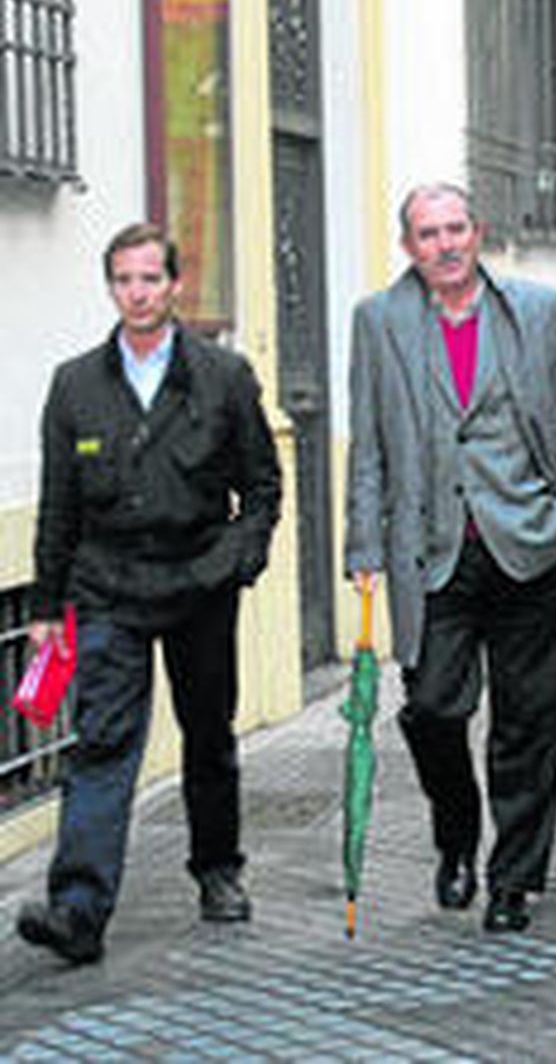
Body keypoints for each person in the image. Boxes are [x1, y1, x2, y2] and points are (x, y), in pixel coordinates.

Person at [17, 224, 282, 966]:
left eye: (149, 279)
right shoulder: (75, 385)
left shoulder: (224, 377)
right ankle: (78, 907)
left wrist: (237, 560)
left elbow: (261, 487)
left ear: (173, 285)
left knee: (208, 735)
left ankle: (218, 869)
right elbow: (59, 505)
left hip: (199, 583)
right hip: (107, 589)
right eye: (123, 281)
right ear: (111, 290)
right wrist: (44, 607)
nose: (137, 293)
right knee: (102, 743)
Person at [345, 183, 556, 932]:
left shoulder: (538, 309)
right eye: (429, 234)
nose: (446, 245)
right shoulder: (379, 321)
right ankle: (455, 832)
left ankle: (512, 879)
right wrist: (363, 544)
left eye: (456, 229)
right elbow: (368, 445)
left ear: (478, 233)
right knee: (430, 710)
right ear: (409, 248)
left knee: (527, 721)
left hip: (530, 549)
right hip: (432, 555)